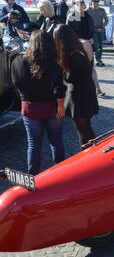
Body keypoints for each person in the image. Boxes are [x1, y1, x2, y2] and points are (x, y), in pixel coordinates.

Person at [11, 30, 66, 175]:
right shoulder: (54, 64)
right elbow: (59, 88)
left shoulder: (18, 61)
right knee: (56, 142)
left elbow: (15, 83)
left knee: (34, 144)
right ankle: (60, 175)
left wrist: (24, 95)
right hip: (51, 107)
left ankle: (32, 176)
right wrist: (61, 105)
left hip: (29, 107)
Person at [53, 24, 99, 148]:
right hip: (86, 91)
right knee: (86, 129)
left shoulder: (73, 55)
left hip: (79, 96)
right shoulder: (83, 46)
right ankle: (92, 154)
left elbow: (69, 78)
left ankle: (89, 156)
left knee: (83, 130)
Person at [86, 0, 108, 67]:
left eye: (96, 2)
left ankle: (99, 59)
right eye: (93, 2)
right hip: (93, 31)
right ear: (91, 2)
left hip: (101, 30)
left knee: (101, 46)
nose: (94, 3)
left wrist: (103, 26)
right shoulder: (88, 10)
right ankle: (98, 60)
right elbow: (81, 13)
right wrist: (87, 8)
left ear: (98, 3)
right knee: (96, 45)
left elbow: (106, 20)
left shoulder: (102, 10)